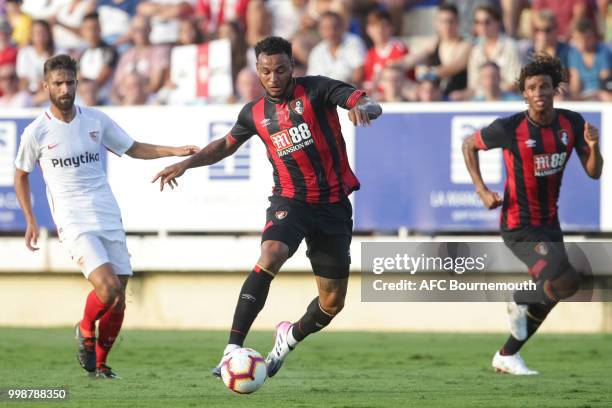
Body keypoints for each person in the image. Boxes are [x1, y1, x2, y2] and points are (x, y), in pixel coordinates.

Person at [152, 36, 382, 379]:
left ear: (292, 67)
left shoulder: (317, 90)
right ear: (257, 71)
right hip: (291, 200)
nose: (273, 78)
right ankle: (232, 348)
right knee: (271, 253)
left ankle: (287, 338)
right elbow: (224, 146)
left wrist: (362, 108)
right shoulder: (254, 113)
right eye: (266, 71)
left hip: (333, 205)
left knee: (332, 303)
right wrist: (186, 164)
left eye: (280, 69)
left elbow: (366, 102)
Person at [13, 54, 198, 379]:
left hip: (107, 212)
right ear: (46, 86)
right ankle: (84, 329)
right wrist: (30, 218)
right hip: (73, 219)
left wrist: (173, 151)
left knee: (119, 300)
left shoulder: (95, 120)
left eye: (70, 82)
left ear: (77, 83)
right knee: (109, 288)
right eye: (58, 83)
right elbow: (20, 175)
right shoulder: (37, 131)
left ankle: (99, 364)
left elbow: (132, 147)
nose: (65, 88)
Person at [462, 54, 603, 375]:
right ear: (524, 94)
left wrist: (594, 147)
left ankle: (507, 354)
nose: (538, 92)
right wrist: (482, 190)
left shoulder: (572, 124)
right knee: (566, 278)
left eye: (544, 86)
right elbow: (469, 145)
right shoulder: (509, 128)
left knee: (561, 289)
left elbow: (594, 173)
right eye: (531, 87)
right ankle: (520, 297)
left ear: (555, 90)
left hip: (549, 222)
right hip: (518, 225)